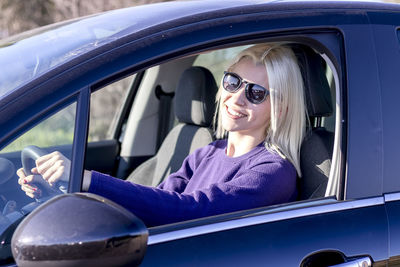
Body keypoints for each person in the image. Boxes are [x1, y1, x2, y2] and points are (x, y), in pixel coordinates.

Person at [17, 44, 307, 227]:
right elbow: (157, 202)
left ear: (281, 108)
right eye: (233, 82)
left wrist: (88, 179)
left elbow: (187, 211)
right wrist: (61, 192)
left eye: (256, 93)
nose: (237, 98)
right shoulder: (208, 152)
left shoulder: (273, 173)